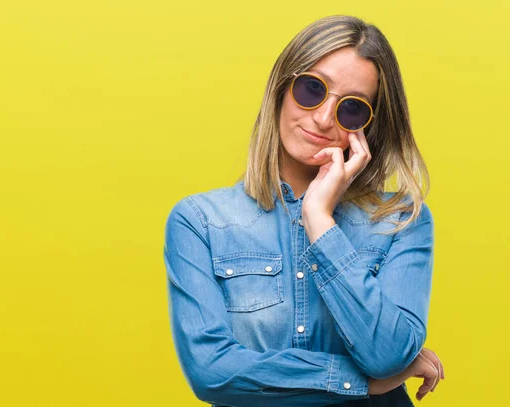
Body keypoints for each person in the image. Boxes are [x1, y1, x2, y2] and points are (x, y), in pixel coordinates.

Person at [163, 15, 445, 407]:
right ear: (281, 88)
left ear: (369, 127)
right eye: (312, 89)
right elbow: (212, 372)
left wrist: (319, 219)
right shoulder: (200, 222)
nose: (324, 118)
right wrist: (359, 382)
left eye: (351, 109)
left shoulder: (401, 220)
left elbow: (388, 355)